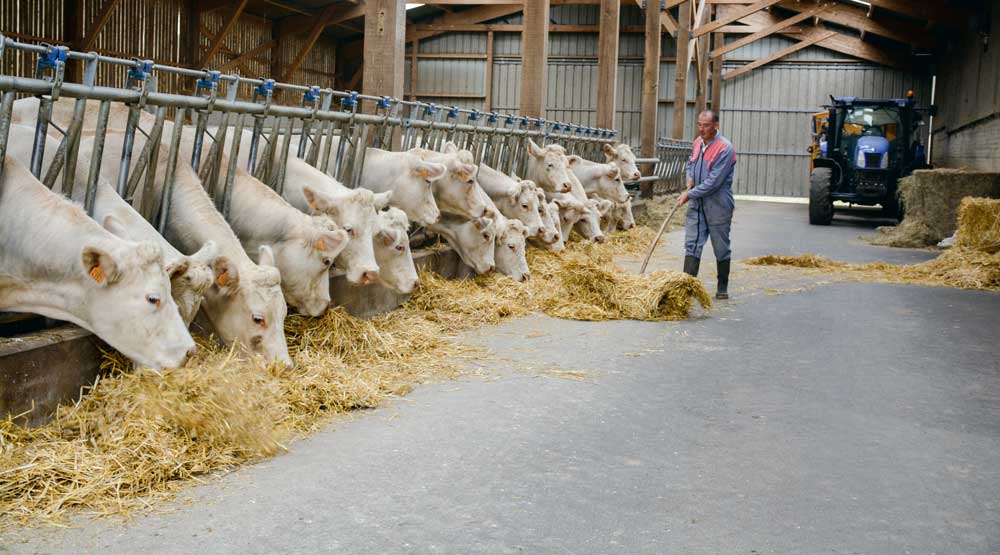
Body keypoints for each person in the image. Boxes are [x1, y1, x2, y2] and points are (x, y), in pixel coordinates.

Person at [676, 110, 736, 299]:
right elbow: (689, 164)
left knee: (721, 246)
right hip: (697, 205)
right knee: (692, 243)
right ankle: (687, 288)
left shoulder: (725, 149)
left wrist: (689, 194)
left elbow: (713, 182)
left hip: (718, 204)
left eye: (706, 125)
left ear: (716, 126)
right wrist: (689, 178)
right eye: (699, 124)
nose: (701, 129)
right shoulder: (697, 143)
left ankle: (722, 287)